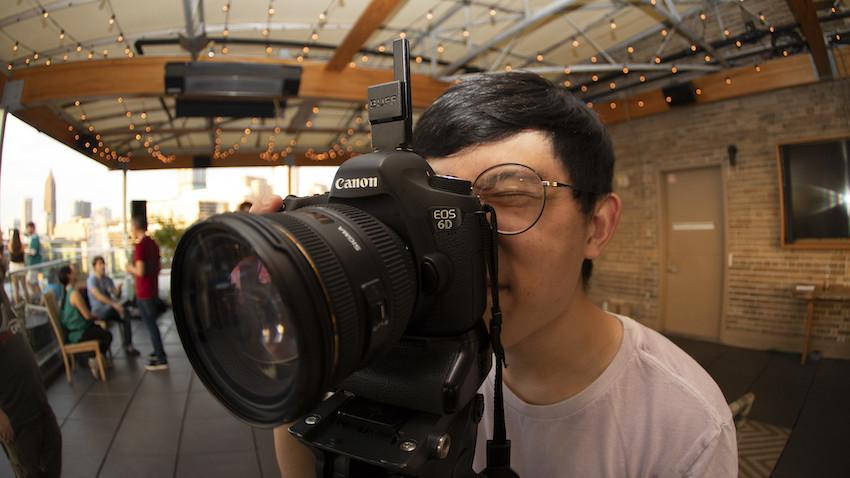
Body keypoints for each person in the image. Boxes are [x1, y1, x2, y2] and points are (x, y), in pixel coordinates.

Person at [267, 73, 737, 477]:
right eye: (438, 207)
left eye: (510, 194)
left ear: (597, 226)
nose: (469, 235)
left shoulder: (682, 423)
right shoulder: (396, 356)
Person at [0, 265, 62, 477]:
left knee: (53, 455)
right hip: (15, 414)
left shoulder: (4, 299)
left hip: (37, 400)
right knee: (30, 470)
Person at [126, 217, 168, 371]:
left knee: (151, 325)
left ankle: (161, 357)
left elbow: (140, 271)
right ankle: (157, 352)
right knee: (152, 323)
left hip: (144, 291)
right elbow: (159, 266)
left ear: (136, 227)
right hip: (153, 289)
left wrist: (129, 268)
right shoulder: (153, 244)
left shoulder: (140, 247)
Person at [58, 264, 112, 379]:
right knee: (107, 335)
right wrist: (95, 316)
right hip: (79, 333)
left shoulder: (67, 293)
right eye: (73, 271)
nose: (76, 272)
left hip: (74, 331)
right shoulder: (74, 294)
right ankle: (93, 357)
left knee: (100, 332)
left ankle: (95, 359)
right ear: (69, 275)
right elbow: (87, 316)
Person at [88, 256, 139, 357]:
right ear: (94, 267)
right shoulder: (91, 280)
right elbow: (98, 296)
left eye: (103, 264)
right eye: (100, 264)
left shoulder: (107, 279)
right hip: (99, 311)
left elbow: (116, 295)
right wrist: (114, 304)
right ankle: (130, 311)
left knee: (125, 314)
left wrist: (118, 290)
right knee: (121, 309)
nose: (103, 266)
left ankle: (128, 345)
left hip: (110, 309)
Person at [23, 223, 43, 300]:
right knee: (34, 283)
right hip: (33, 264)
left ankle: (38, 297)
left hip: (34, 264)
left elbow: (33, 251)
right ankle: (40, 298)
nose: (27, 230)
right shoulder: (33, 238)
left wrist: (25, 250)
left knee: (29, 282)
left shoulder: (35, 238)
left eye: (28, 228)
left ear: (32, 228)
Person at [7, 229, 27, 304]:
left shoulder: (9, 244)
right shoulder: (22, 245)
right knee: (24, 287)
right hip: (21, 266)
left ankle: (17, 303)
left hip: (13, 267)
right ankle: (27, 302)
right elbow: (24, 257)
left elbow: (9, 255)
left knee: (16, 288)